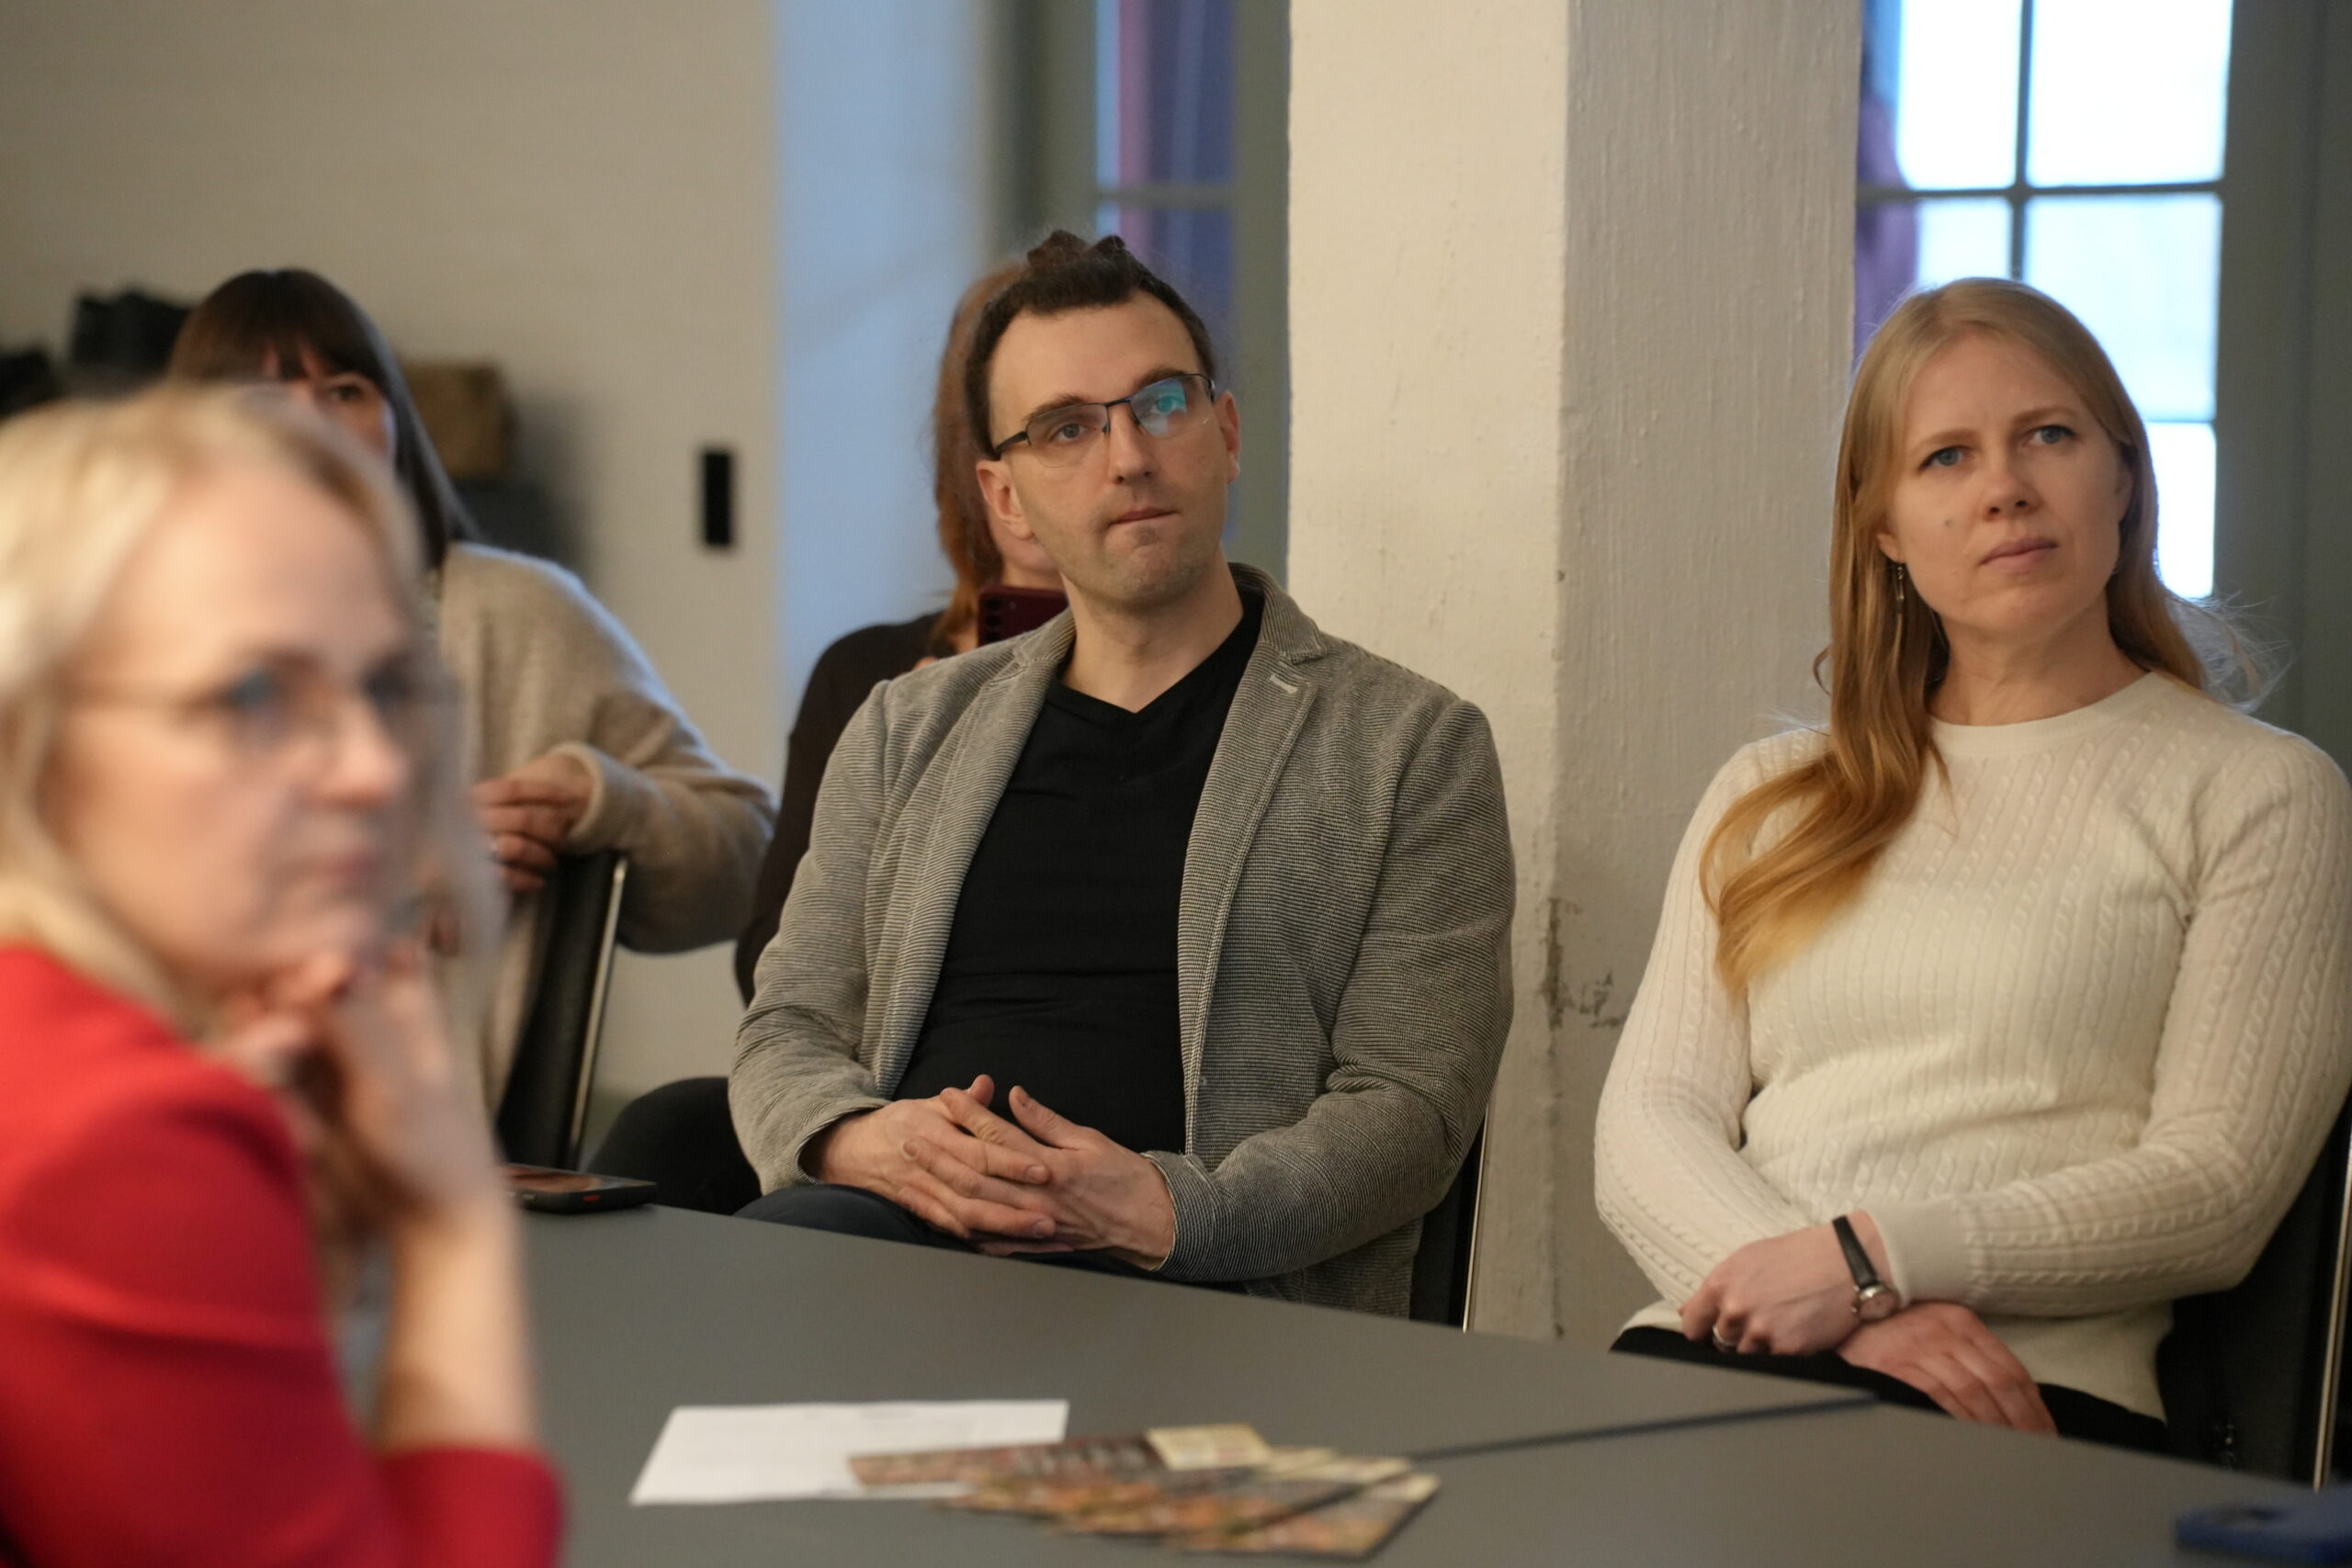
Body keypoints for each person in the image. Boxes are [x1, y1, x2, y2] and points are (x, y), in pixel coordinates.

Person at [1594, 277, 2352, 1450]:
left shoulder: (2260, 792)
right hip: (1717, 1359)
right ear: (1883, 530)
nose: (2004, 487)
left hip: (2019, 1401)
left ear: (2123, 478)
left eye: (2047, 435)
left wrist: (1870, 1263)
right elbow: (1647, 1126)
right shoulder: (1770, 793)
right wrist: (1841, 1309)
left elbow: (2216, 1190)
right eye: (1945, 457)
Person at [729, 232, 1513, 1313]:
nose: (1129, 457)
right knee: (749, 1280)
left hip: (1207, 1289)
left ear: (1224, 433)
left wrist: (1161, 1209)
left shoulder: (1409, 745)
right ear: (1006, 497)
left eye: (1160, 404)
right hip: (900, 1243)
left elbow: (1413, 1109)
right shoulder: (907, 726)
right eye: (1066, 429)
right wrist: (859, 1141)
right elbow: (787, 1027)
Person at [0, 388, 560, 1565]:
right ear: (30, 739)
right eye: (255, 695)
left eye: (385, 689)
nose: (371, 770)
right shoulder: (117, 1136)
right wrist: (454, 1225)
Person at [170, 270, 774, 1109]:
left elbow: (752, 863)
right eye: (265, 399)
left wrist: (596, 796)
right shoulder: (121, 630)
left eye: (345, 391)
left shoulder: (517, 611)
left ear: (394, 421)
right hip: (176, 1111)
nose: (316, 423)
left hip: (438, 1135)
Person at [731, 259, 1064, 1001]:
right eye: (1033, 432)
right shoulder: (865, 676)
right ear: (976, 468)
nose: (1053, 471)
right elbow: (768, 969)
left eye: (1074, 429)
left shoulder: (1193, 683)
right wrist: (892, 800)